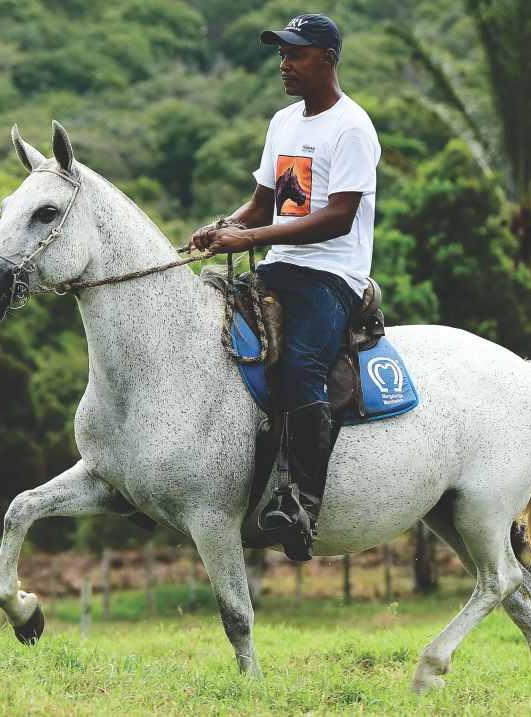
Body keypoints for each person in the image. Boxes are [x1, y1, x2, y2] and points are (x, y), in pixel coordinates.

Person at [189, 14, 381, 560]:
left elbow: (338, 217)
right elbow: (262, 200)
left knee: (301, 366)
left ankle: (301, 505)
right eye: (282, 53)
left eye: (296, 54)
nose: (284, 63)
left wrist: (251, 234)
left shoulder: (352, 128)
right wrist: (225, 225)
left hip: (331, 275)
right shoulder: (283, 122)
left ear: (327, 59)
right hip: (279, 264)